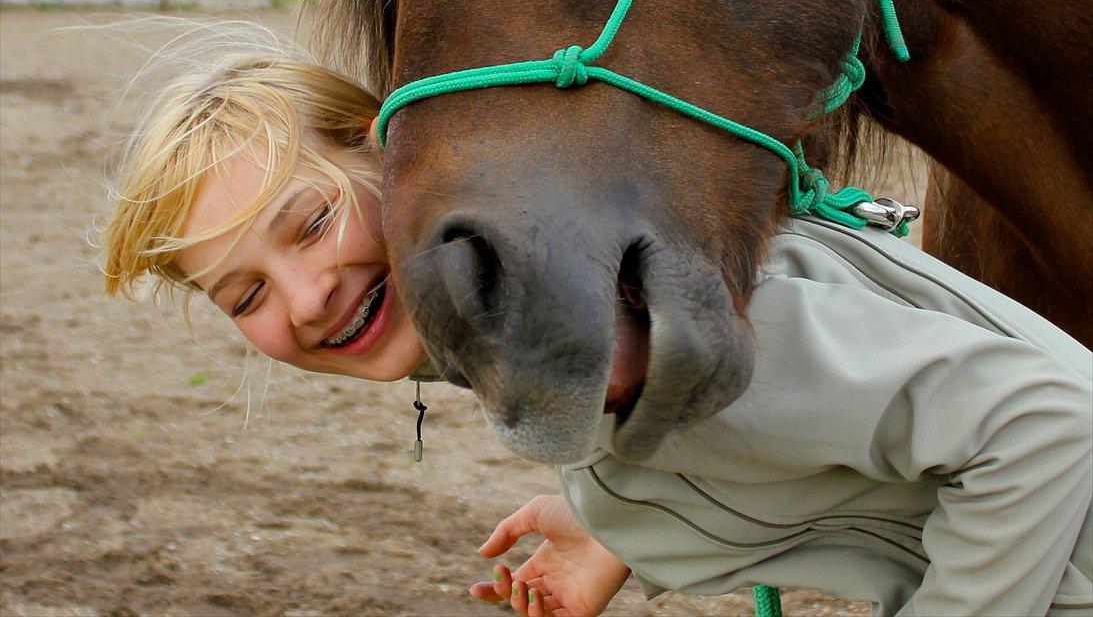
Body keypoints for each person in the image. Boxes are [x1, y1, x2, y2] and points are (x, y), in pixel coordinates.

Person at [102, 52, 1092, 617]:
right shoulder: (563, 294)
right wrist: (615, 527)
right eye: (243, 296)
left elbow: (1043, 428)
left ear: (394, 154)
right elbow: (805, 446)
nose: (307, 296)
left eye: (310, 222)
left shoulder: (651, 323)